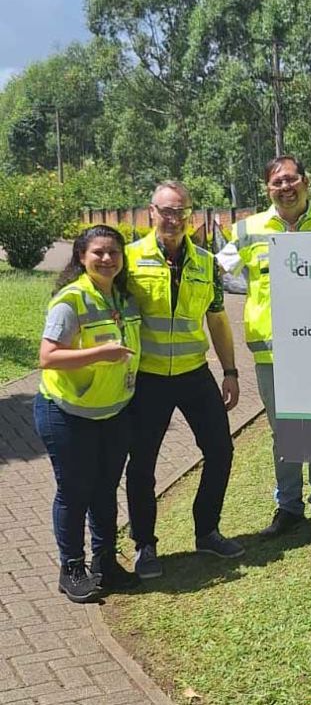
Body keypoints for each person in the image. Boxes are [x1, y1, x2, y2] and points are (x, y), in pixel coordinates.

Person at [216, 155, 311, 541]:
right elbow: (215, 272)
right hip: (271, 352)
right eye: (277, 182)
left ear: (306, 181)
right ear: (267, 188)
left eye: (291, 179)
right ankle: (288, 506)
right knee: (283, 431)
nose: (285, 187)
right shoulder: (246, 230)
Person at [125, 181, 243, 580]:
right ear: (151, 212)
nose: (173, 219)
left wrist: (230, 371)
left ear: (190, 216)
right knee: (142, 464)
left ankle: (207, 531)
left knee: (220, 450)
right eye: (166, 211)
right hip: (148, 378)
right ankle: (145, 544)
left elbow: (217, 319)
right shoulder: (128, 259)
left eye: (181, 212)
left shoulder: (206, 263)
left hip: (194, 373)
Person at [35, 225, 141, 603]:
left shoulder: (125, 299)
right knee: (75, 490)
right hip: (67, 412)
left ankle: (105, 563)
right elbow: (48, 357)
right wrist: (100, 354)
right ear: (81, 257)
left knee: (104, 489)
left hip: (112, 412)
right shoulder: (71, 300)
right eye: (98, 252)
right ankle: (72, 568)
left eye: (114, 252)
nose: (107, 258)